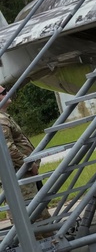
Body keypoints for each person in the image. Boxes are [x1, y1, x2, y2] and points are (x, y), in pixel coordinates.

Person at [0, 86, 51, 235]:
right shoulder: (1, 120)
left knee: (37, 213)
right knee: (34, 216)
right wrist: (28, 165)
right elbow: (8, 148)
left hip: (23, 175)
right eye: (3, 92)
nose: (8, 93)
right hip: (20, 175)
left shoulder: (4, 117)